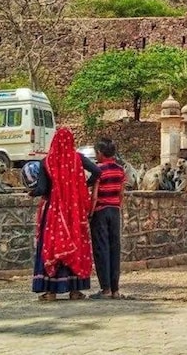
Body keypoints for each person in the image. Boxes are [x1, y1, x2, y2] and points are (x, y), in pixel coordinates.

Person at [30, 127, 93, 301]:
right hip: (73, 213)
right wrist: (79, 186)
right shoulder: (78, 159)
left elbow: (42, 188)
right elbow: (97, 172)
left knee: (51, 246)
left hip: (53, 214)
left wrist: (31, 192)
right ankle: (75, 291)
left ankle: (51, 292)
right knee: (74, 245)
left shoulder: (46, 162)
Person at [89, 137, 126, 300]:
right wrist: (118, 207)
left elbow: (95, 195)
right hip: (115, 210)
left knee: (101, 249)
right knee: (114, 248)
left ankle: (105, 289)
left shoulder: (98, 170)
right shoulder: (120, 170)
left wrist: (90, 212)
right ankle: (115, 289)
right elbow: (121, 193)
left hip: (101, 211)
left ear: (100, 153)